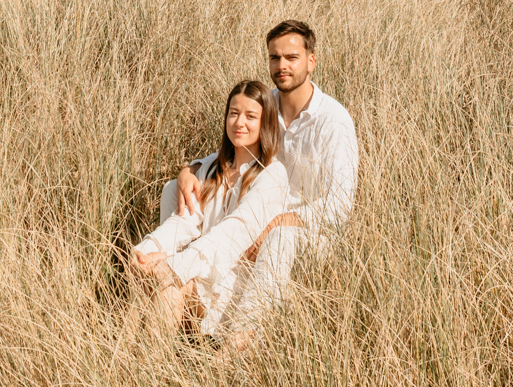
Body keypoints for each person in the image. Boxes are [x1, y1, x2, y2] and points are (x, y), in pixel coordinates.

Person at [166, 20, 358, 321]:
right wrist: (189, 169)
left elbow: (339, 206)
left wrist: (276, 223)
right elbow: (235, 150)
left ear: (311, 62)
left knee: (280, 238)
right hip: (258, 212)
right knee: (177, 191)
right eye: (274, 57)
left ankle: (241, 341)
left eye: (291, 58)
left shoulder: (333, 120)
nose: (282, 65)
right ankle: (167, 284)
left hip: (308, 232)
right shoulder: (266, 105)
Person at [131, 79, 297, 339]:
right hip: (203, 272)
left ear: (265, 123)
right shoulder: (212, 167)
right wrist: (150, 248)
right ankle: (132, 364)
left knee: (170, 282)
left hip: (232, 284)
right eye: (233, 113)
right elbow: (185, 220)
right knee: (151, 274)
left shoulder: (272, 174)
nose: (239, 122)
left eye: (250, 116)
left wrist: (178, 265)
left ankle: (149, 366)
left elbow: (235, 233)